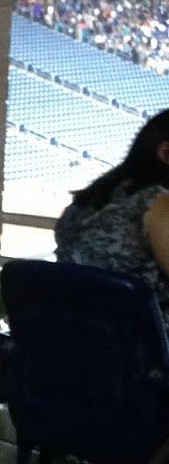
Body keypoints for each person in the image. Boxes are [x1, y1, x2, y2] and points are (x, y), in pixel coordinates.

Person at [54, 108, 169, 322]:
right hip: (141, 333)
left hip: (77, 330)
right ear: (165, 153)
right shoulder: (157, 203)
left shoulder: (89, 200)